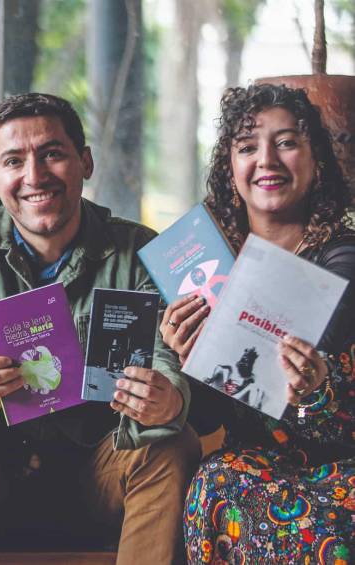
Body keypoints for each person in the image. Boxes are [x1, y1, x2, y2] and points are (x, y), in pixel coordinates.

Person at [0, 93, 201, 565]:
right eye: (14, 160)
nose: (34, 176)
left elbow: (165, 355)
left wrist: (168, 398)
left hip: (101, 475)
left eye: (52, 153)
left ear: (85, 162)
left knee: (173, 439)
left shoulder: (138, 249)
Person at [160, 84, 355, 563]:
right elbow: (206, 419)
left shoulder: (343, 255)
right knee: (216, 481)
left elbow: (319, 345)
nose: (266, 160)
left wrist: (313, 380)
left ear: (317, 161)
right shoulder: (204, 263)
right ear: (231, 170)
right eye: (248, 147)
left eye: (286, 142)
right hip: (255, 463)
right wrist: (188, 358)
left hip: (342, 462)